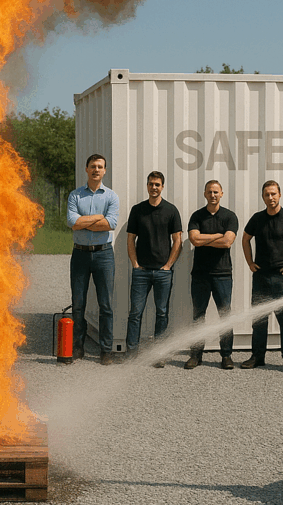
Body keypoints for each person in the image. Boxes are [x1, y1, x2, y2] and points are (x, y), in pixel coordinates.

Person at [240, 180, 283, 373]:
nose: (270, 197)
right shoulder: (257, 219)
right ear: (263, 197)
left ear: (279, 195)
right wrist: (250, 262)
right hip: (261, 277)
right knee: (259, 320)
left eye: (273, 194)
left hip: (282, 278)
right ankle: (257, 356)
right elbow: (245, 239)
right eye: (267, 194)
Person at [125, 171, 183, 367]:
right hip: (141, 271)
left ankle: (158, 355)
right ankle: (132, 352)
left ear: (162, 187)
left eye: (157, 184)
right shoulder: (138, 210)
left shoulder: (171, 211)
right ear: (147, 186)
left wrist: (168, 266)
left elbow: (177, 240)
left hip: (162, 273)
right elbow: (130, 239)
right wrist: (135, 264)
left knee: (162, 313)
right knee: (135, 313)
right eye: (151, 184)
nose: (154, 187)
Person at [66, 153, 119, 365]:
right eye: (93, 166)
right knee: (78, 303)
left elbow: (111, 224)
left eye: (100, 166)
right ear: (86, 169)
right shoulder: (75, 195)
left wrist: (83, 222)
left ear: (105, 170)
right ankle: (77, 347)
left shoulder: (111, 196)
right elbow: (72, 222)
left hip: (104, 254)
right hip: (80, 254)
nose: (96, 170)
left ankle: (106, 350)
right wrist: (98, 217)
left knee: (105, 305)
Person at [185, 180, 238, 370]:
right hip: (200, 274)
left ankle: (226, 356)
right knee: (198, 316)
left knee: (225, 315)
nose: (213, 195)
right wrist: (218, 235)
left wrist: (205, 239)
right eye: (210, 192)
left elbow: (227, 242)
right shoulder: (197, 216)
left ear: (221, 193)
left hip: (222, 274)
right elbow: (194, 239)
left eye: (216, 192)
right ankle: (196, 355)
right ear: (205, 194)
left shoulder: (230, 216)